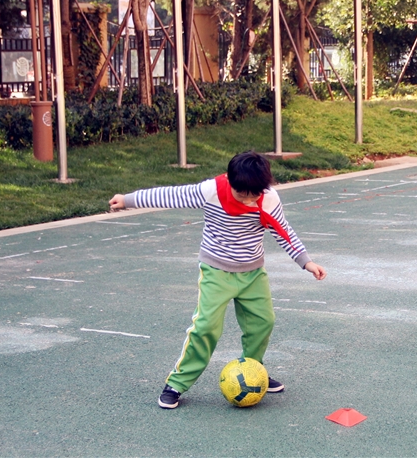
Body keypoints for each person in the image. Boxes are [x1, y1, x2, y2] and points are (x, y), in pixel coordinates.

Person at [108, 151, 327, 409]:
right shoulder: (211, 190)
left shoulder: (269, 199)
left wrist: (306, 261)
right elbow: (170, 195)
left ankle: (253, 370)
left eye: (253, 194)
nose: (247, 199)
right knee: (205, 327)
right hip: (216, 271)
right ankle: (177, 383)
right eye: (241, 193)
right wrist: (127, 200)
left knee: (263, 322)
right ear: (231, 182)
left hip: (253, 273)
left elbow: (283, 231)